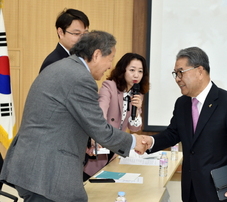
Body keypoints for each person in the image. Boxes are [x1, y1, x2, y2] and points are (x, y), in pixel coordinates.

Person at [0, 31, 147, 202]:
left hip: (36, 167)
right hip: (46, 172)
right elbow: (99, 128)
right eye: (110, 58)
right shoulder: (80, 78)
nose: (110, 66)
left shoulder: (64, 67)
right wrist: (134, 142)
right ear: (97, 54)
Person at [143, 47, 227, 202]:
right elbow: (173, 133)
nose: (177, 78)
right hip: (191, 187)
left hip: (221, 190)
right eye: (175, 73)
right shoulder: (182, 103)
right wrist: (151, 142)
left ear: (200, 71)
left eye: (181, 72)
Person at [83, 53, 150, 180]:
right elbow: (100, 111)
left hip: (114, 151)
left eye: (140, 71)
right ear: (122, 70)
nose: (136, 75)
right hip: (99, 147)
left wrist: (138, 109)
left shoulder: (137, 94)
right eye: (132, 70)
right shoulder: (109, 86)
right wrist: (98, 135)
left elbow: (134, 128)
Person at [39, 8, 89, 73]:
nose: (82, 38)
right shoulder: (53, 62)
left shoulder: (79, 58)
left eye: (85, 33)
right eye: (77, 34)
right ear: (61, 33)